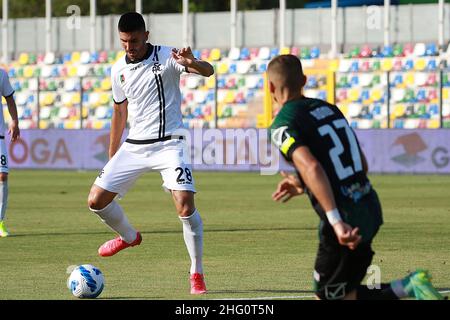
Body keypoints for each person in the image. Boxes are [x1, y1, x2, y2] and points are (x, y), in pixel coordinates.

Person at [268, 54, 444, 300]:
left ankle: (408, 286)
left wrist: (336, 222)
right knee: (342, 294)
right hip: (370, 207)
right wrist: (301, 184)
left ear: (270, 87)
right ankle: (409, 286)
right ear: (304, 80)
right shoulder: (329, 109)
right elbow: (360, 163)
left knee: (327, 295)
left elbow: (312, 167)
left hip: (345, 221)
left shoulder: (282, 124)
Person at [87, 12, 214, 295]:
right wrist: (113, 155)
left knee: (184, 204)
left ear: (146, 34)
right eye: (124, 42)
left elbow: (209, 71)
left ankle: (197, 272)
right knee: (96, 200)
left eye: (133, 40)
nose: (129, 47)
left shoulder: (170, 55)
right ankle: (129, 237)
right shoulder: (117, 68)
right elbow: (120, 110)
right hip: (135, 145)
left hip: (170, 143)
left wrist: (192, 62)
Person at [0, 68, 20, 238]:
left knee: (2, 175)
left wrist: (14, 121)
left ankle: (0, 222)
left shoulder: (1, 74)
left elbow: (9, 99)